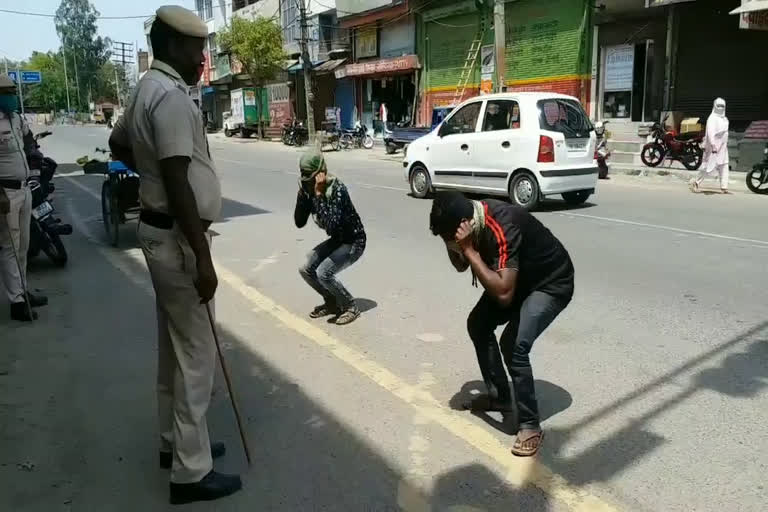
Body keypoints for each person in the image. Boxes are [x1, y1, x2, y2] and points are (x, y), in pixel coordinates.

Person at [108, 6, 241, 504]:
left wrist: (145, 175)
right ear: (171, 47)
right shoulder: (168, 97)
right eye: (195, 48)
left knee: (173, 348)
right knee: (197, 354)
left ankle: (177, 443)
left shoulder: (147, 87)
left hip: (160, 232)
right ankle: (191, 472)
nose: (203, 58)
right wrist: (202, 259)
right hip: (178, 240)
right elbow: (179, 180)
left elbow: (118, 139)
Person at [429, 191, 574, 457]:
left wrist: (469, 249)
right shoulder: (470, 224)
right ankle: (500, 397)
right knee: (478, 323)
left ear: (466, 225)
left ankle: (530, 425)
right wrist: (454, 244)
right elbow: (461, 266)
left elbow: (505, 294)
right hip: (518, 280)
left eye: (448, 238)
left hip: (550, 283)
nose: (449, 244)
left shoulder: (502, 223)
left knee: (514, 345)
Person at [295, 149, 366, 325]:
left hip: (353, 241)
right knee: (305, 269)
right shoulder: (308, 189)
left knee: (323, 273)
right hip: (337, 240)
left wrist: (319, 195)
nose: (307, 181)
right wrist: (303, 198)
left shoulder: (337, 189)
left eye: (309, 177)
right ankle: (332, 302)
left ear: (321, 173)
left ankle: (350, 306)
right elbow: (299, 222)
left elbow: (331, 223)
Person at [0, 73, 47, 322]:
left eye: (12, 92)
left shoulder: (17, 119)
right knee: (10, 247)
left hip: (23, 189)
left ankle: (23, 291)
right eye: (6, 93)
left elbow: (30, 142)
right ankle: (17, 303)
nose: (11, 97)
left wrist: (36, 167)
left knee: (24, 246)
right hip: (5, 194)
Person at [690, 98, 730, 194]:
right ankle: (696, 182)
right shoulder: (712, 119)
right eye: (718, 106)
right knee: (708, 166)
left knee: (724, 165)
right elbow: (711, 133)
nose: (720, 108)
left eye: (722, 106)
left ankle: (724, 186)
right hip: (714, 147)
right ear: (715, 106)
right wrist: (713, 145)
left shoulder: (724, 119)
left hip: (723, 147)